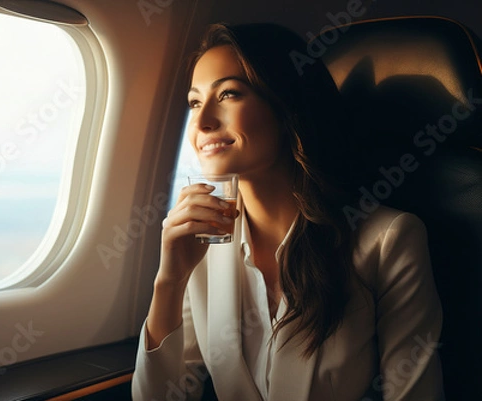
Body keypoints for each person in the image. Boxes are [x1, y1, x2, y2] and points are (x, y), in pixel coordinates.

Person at [132, 23, 444, 401]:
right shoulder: (201, 241)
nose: (201, 123)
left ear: (286, 106)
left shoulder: (389, 239)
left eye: (228, 94)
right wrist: (169, 280)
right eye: (195, 102)